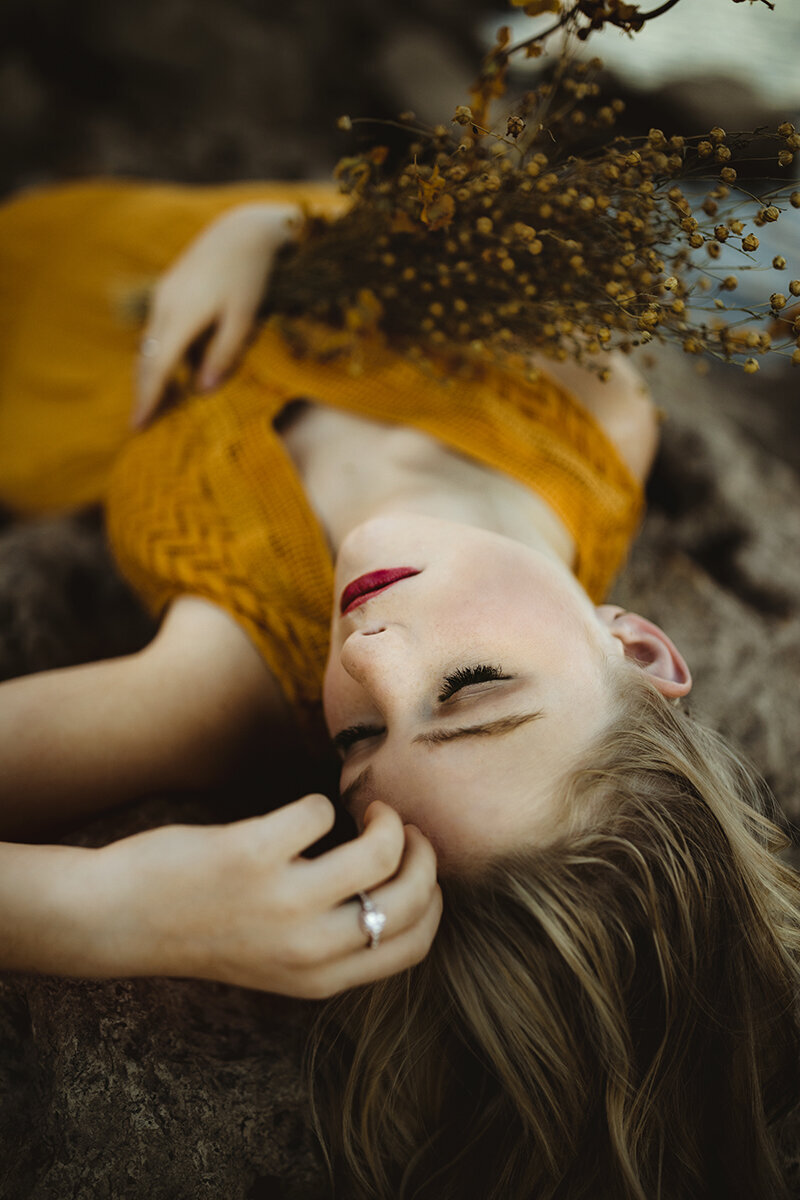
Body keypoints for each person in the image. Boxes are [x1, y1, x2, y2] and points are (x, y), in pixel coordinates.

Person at [0, 178, 798, 1199]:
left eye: (359, 742)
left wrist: (110, 911)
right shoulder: (590, 398)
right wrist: (265, 233)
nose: (365, 657)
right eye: (470, 688)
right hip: (117, 208)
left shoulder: (231, 681)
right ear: (637, 647)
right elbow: (422, 200)